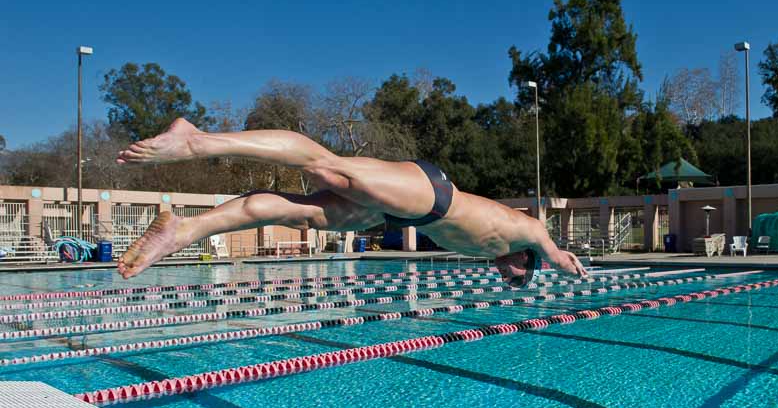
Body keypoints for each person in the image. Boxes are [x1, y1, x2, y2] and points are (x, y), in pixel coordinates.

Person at [116, 119, 588, 285]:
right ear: (526, 261)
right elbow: (548, 240)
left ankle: (185, 231)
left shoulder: (492, 253)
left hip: (398, 212)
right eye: (519, 274)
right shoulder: (523, 233)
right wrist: (566, 261)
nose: (510, 276)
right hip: (431, 192)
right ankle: (197, 141)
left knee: (294, 211)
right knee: (324, 167)